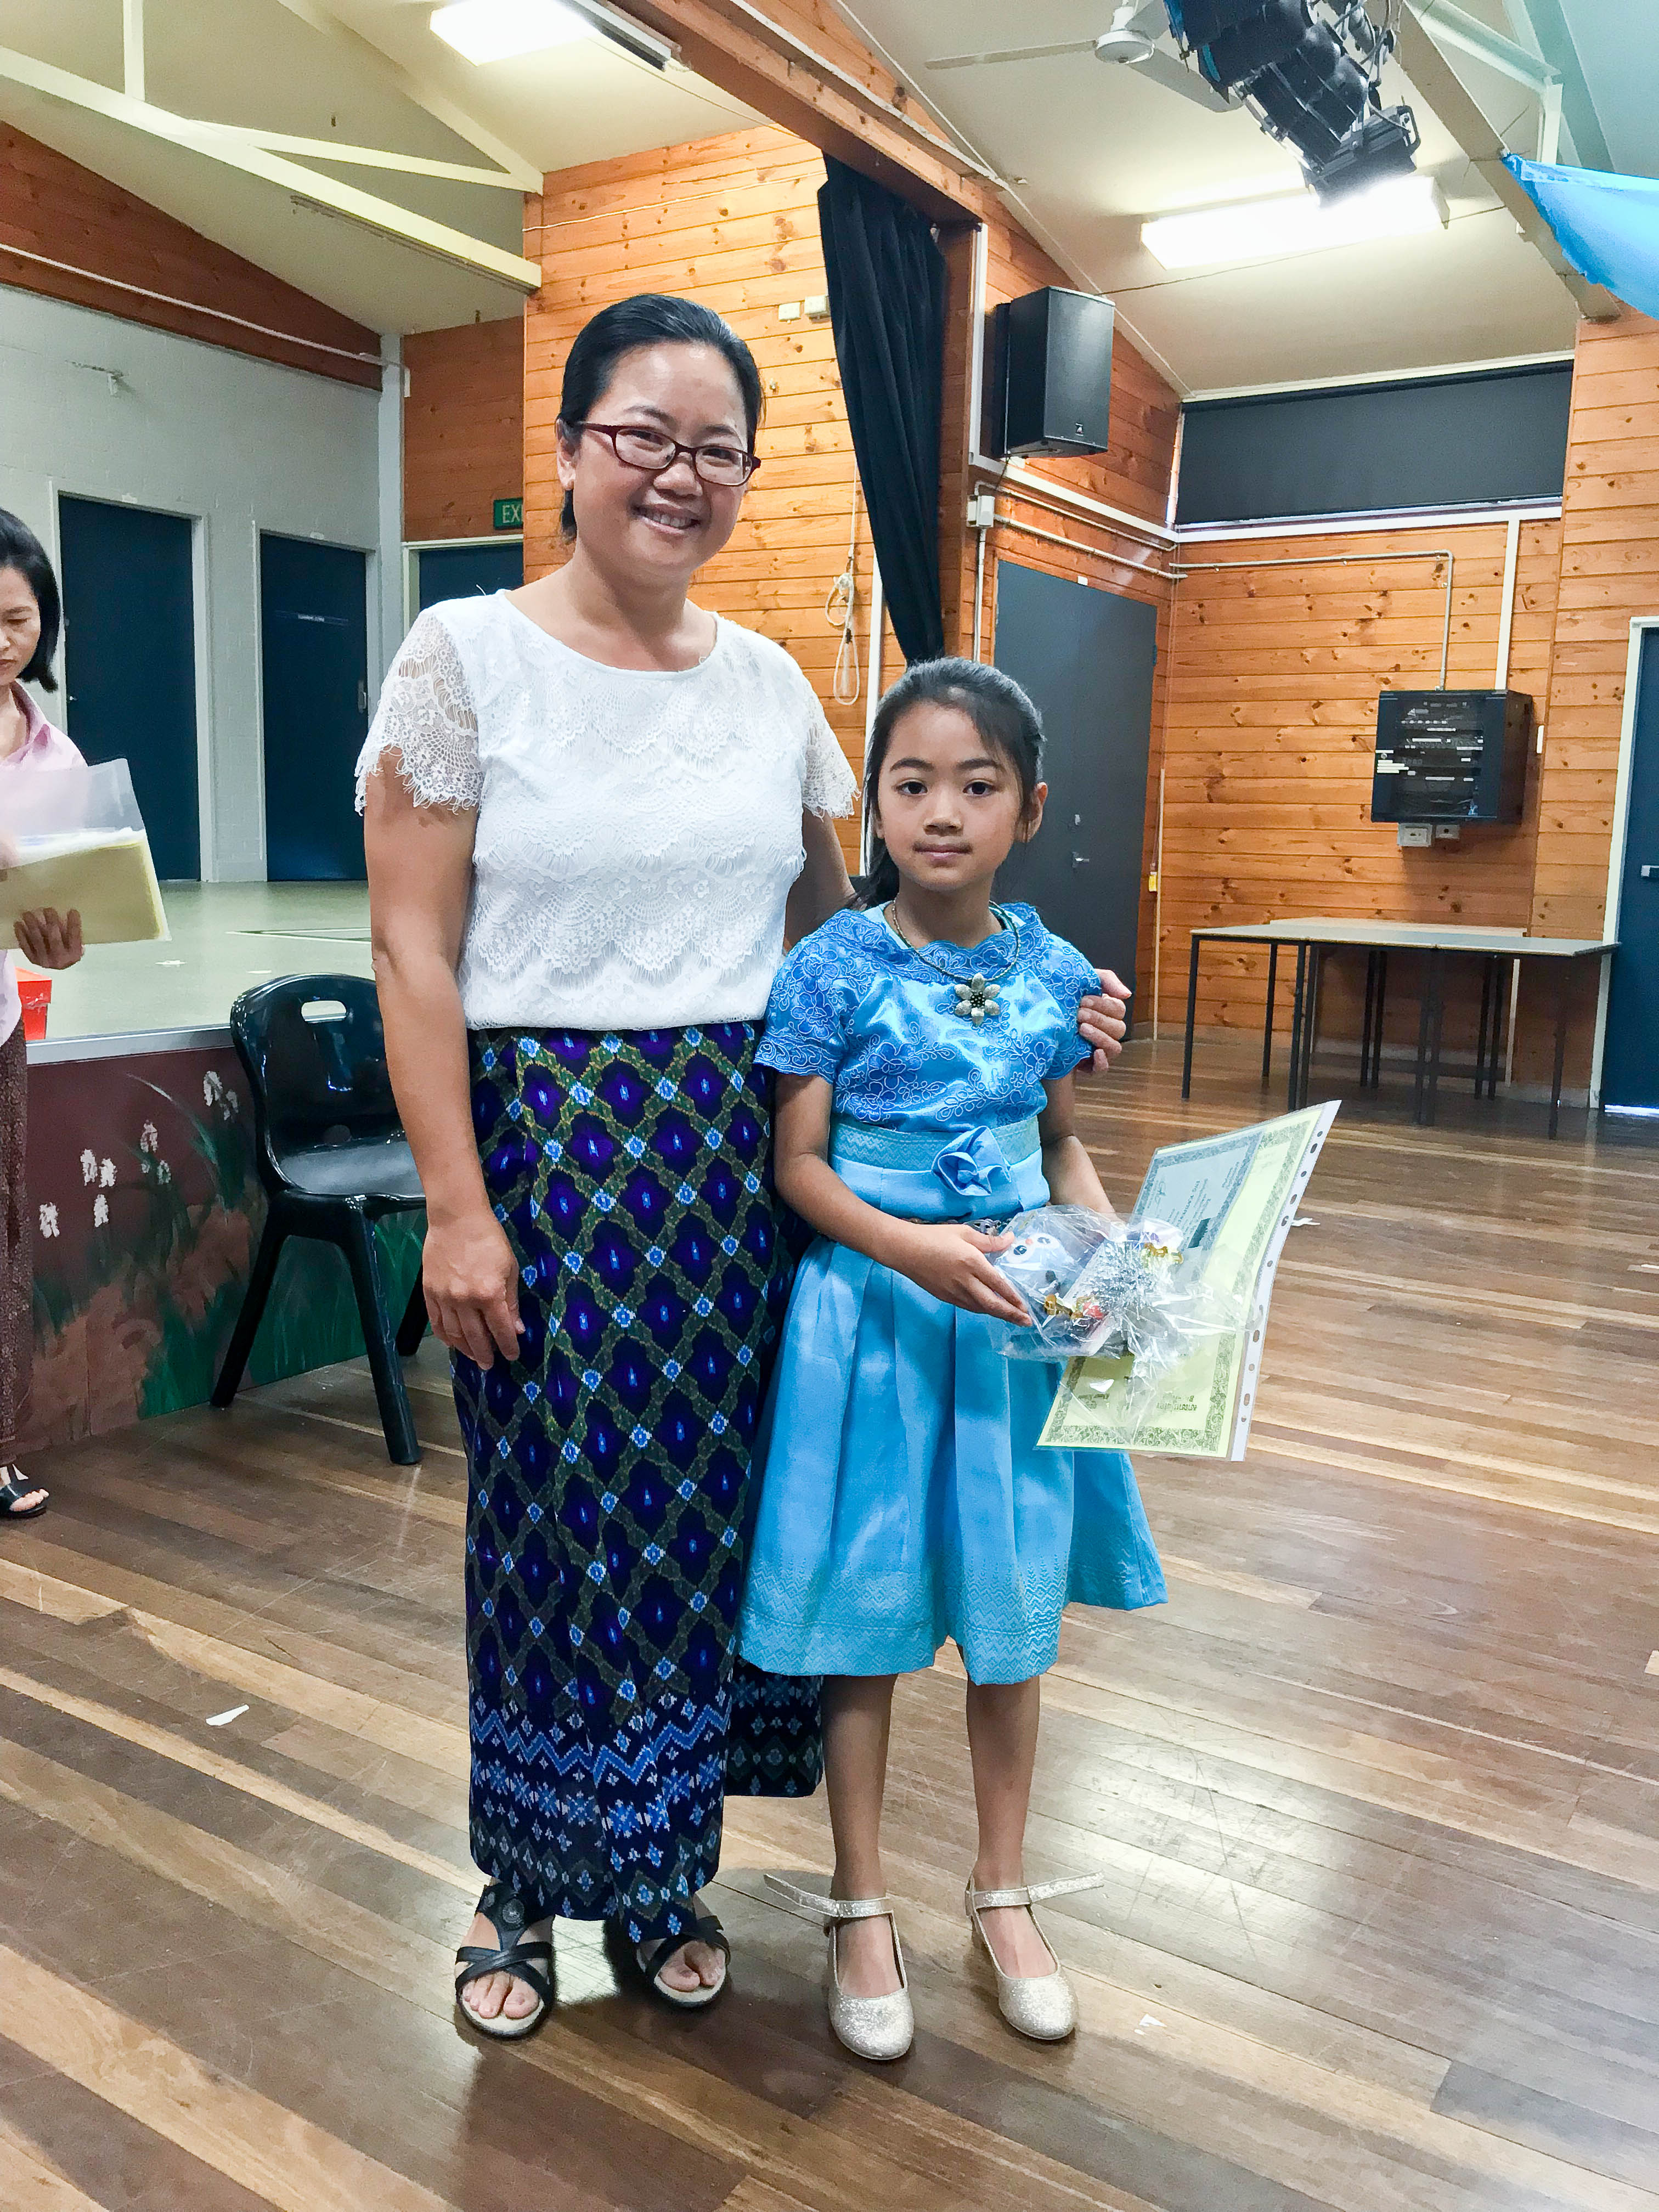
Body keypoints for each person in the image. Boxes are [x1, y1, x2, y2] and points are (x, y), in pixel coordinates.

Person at [359, 292, 1132, 2039]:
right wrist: (456, 1207)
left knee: (705, 1530)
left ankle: (661, 1876)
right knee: (550, 1525)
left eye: (716, 448)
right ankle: (519, 1882)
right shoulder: (464, 657)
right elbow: (412, 955)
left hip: (742, 1162)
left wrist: (1036, 1011)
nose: (677, 474)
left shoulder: (773, 683)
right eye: (642, 435)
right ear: (571, 448)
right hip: (550, 1147)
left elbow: (849, 944)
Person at [738, 658, 1165, 2062]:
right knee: (861, 1621)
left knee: (1010, 1611)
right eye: (911, 783)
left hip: (1013, 1327)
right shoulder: (830, 966)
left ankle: (1003, 1889)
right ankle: (860, 1900)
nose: (941, 813)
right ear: (873, 803)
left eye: (977, 786)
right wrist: (910, 1249)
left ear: (1028, 809)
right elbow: (799, 1165)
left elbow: (1059, 1144)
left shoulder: (1056, 971)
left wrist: (1113, 1251)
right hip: (874, 1318)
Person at [0, 510, 87, 1522]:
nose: (1, 640)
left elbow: (57, 922)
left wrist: (59, 945)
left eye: (17, 620)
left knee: (4, 1236)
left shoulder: (59, 760)